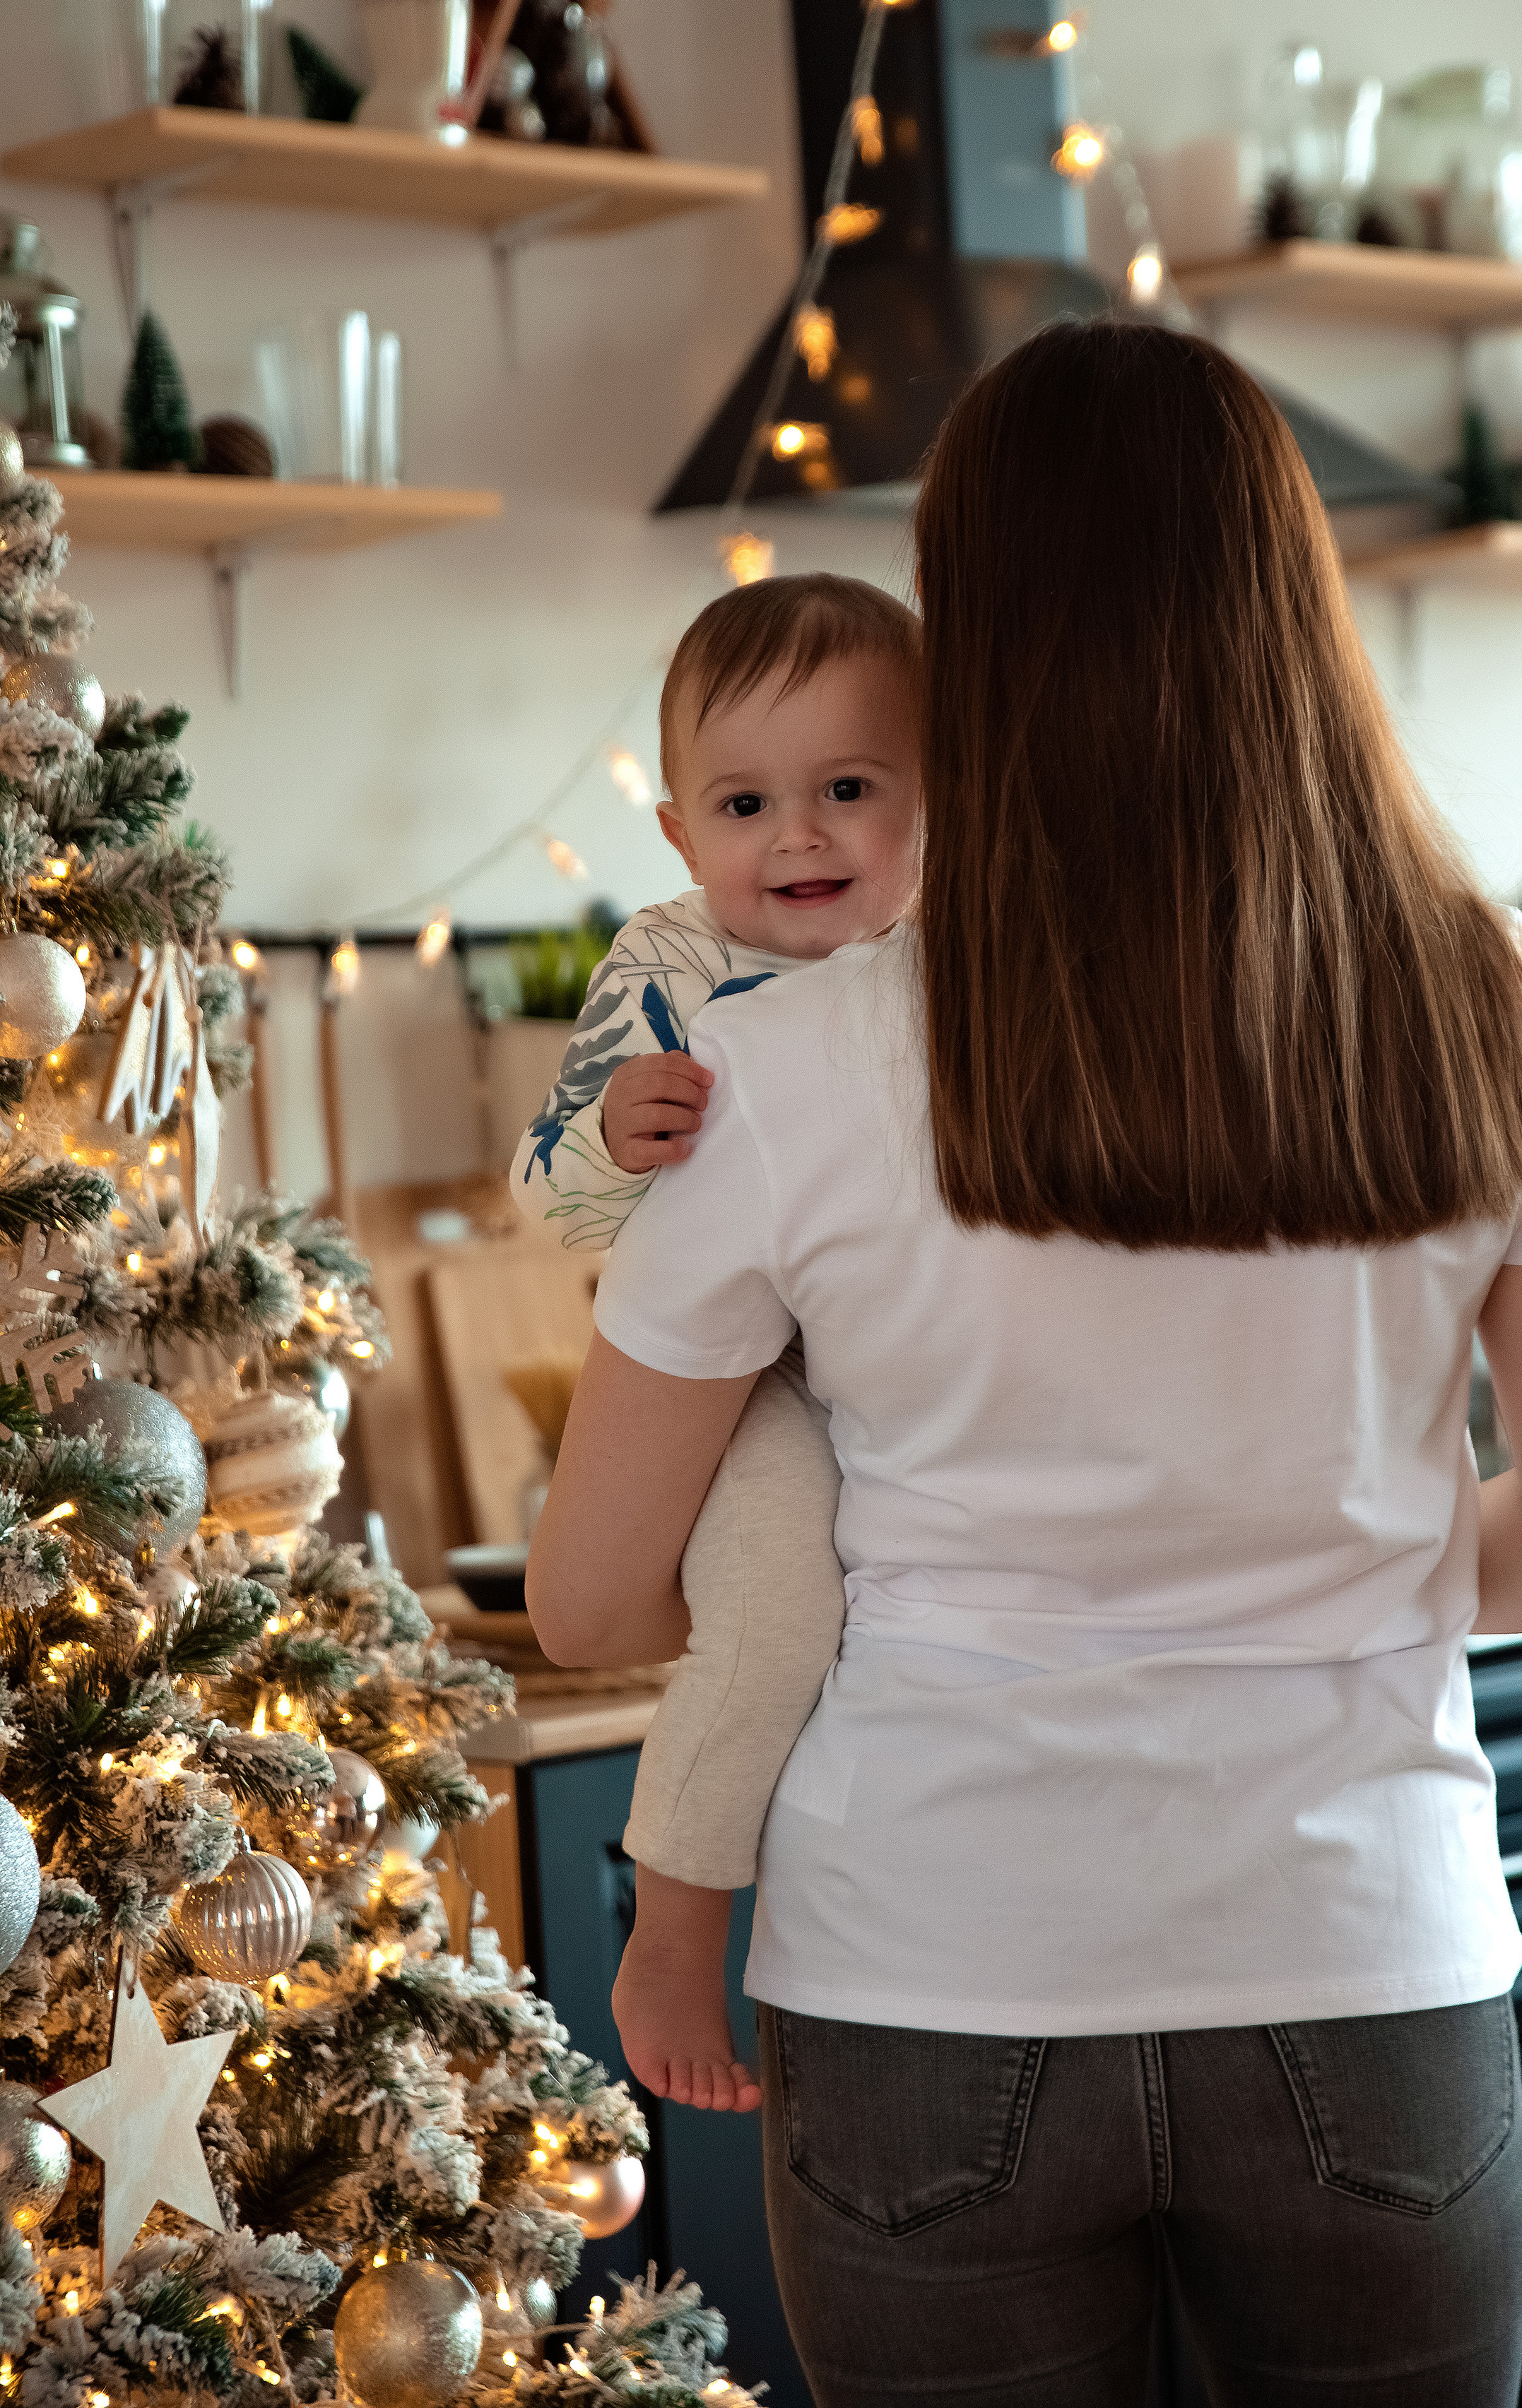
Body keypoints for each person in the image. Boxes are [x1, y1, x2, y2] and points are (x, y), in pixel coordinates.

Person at [527, 319, 1522, 2408]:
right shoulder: (1494, 995)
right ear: (1291, 598)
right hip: (1371, 1969)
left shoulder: (783, 1065)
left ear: (968, 634)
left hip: (929, 1984)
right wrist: (1329, 1563)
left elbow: (594, 1598)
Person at [512, 574, 919, 2109]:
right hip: (730, 1388)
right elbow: (546, 1196)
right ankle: (676, 1921)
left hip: (874, 1362)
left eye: (847, 790)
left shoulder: (963, 957)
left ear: (930, 798)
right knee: (775, 1610)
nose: (797, 837)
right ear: (681, 831)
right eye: (746, 801)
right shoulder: (668, 963)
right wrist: (614, 1135)